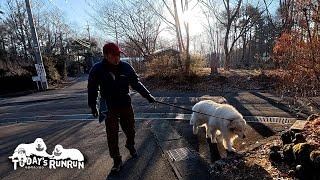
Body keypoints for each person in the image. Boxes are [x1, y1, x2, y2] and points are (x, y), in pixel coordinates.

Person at [87, 42, 156, 173]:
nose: (117, 58)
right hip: (108, 105)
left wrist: (148, 96)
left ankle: (130, 145)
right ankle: (117, 160)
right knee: (112, 134)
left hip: (125, 103)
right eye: (114, 55)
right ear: (106, 56)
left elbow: (136, 84)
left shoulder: (126, 67)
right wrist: (93, 106)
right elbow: (92, 89)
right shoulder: (97, 69)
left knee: (130, 129)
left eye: (118, 55)